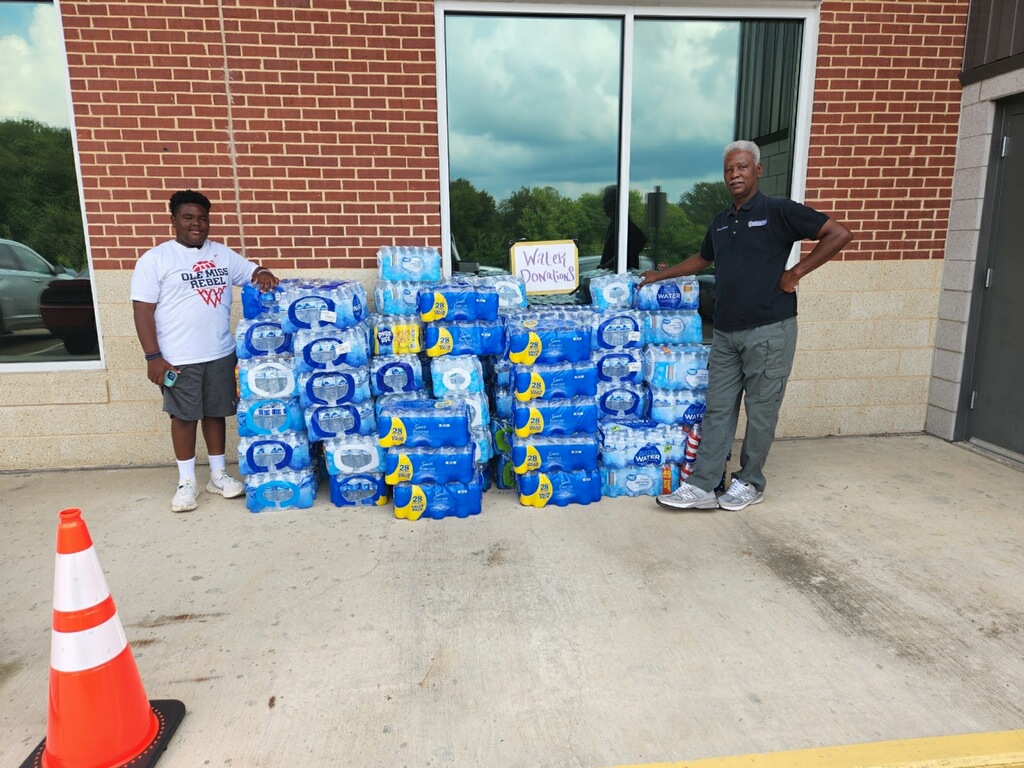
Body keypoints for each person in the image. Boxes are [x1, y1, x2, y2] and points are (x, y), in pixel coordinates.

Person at [639, 140, 853, 511]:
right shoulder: (722, 221)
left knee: (761, 409)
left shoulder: (778, 211)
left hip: (769, 329)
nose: (734, 175)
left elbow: (838, 234)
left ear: (757, 170)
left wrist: (795, 273)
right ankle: (704, 485)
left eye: (741, 167)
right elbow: (703, 259)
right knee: (718, 408)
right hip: (725, 332)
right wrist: (661, 275)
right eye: (728, 170)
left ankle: (750, 481)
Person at [131, 190, 279, 513]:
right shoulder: (156, 260)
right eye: (188, 217)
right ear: (173, 221)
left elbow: (254, 272)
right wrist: (153, 357)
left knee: (215, 412)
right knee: (183, 417)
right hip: (178, 358)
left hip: (220, 353)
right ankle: (186, 482)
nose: (196, 224)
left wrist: (262, 273)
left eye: (202, 218)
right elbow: (142, 311)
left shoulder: (222, 255)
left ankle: (218, 475)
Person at [598, 184, 647, 271]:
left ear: (614, 203)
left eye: (606, 202)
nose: (604, 206)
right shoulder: (616, 225)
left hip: (620, 278)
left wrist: (605, 266)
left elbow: (626, 253)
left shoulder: (624, 227)